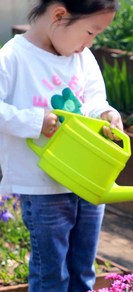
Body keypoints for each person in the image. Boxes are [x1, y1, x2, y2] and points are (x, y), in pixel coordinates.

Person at [0, 1, 122, 291]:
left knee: (84, 273)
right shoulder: (13, 57)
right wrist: (33, 121)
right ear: (59, 15)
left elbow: (93, 102)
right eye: (90, 32)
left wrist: (106, 115)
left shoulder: (84, 59)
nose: (90, 43)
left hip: (88, 182)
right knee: (51, 276)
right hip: (43, 188)